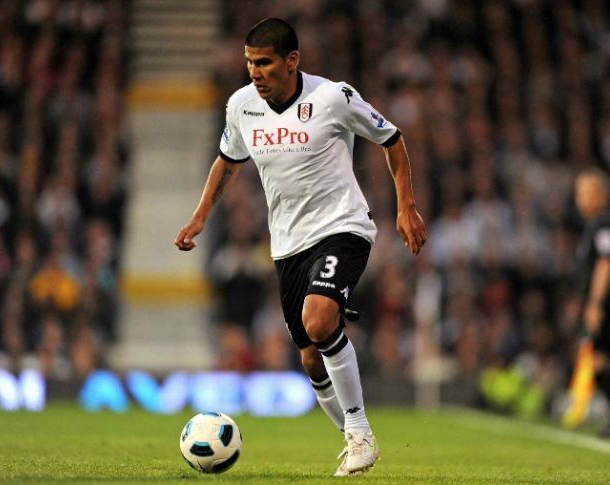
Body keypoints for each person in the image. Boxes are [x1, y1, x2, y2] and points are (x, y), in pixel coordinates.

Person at [175, 18, 427, 476]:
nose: (255, 71)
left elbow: (392, 138)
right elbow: (227, 161)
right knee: (310, 356)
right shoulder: (242, 106)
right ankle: (352, 438)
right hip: (288, 245)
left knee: (319, 318)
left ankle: (360, 431)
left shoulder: (332, 97)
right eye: (250, 62)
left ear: (292, 61)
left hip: (342, 227)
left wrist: (405, 206)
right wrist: (200, 216)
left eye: (265, 63)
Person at [573, 167, 610, 439]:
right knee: (603, 360)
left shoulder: (604, 225)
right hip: (607, 304)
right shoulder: (596, 226)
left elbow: (606, 263)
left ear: (600, 195)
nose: (580, 199)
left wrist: (596, 303)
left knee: (603, 360)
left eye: (585, 192)